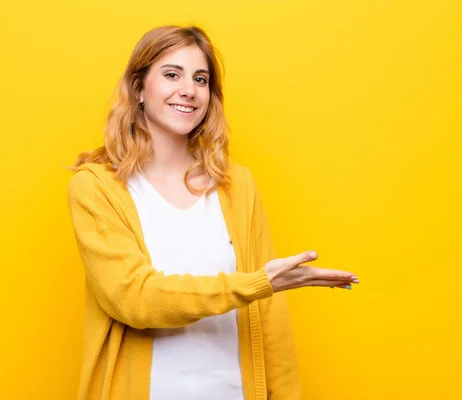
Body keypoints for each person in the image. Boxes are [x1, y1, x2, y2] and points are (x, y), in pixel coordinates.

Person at [66, 25, 359, 400]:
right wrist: (253, 284)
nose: (189, 89)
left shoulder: (237, 186)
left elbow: (271, 319)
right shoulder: (96, 187)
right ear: (138, 88)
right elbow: (135, 298)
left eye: (200, 79)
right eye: (172, 74)